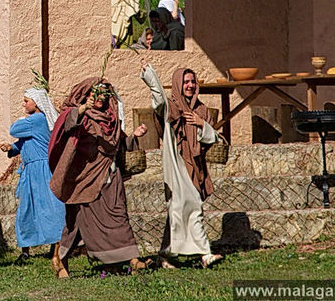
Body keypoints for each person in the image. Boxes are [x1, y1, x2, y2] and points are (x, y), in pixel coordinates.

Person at [48, 77, 149, 278]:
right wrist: (83, 109)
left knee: (119, 215)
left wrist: (134, 137)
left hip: (111, 175)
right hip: (84, 179)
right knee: (76, 222)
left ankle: (131, 258)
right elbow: (66, 125)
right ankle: (61, 260)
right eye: (96, 93)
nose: (100, 97)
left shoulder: (110, 119)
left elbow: (119, 145)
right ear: (87, 95)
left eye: (104, 93)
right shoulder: (80, 115)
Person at [140, 61, 223, 269]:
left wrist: (200, 124)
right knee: (188, 206)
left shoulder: (201, 110)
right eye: (185, 82)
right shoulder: (172, 107)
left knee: (183, 208)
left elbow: (214, 138)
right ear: (178, 84)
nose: (190, 85)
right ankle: (205, 253)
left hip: (195, 166)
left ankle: (166, 255)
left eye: (193, 81)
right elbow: (159, 101)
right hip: (176, 164)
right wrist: (150, 74)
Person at [0, 87, 65, 261]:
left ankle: (57, 246)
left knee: (50, 208)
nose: (23, 104)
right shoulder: (35, 122)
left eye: (26, 101)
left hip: (42, 170)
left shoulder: (37, 119)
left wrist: (21, 120)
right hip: (31, 170)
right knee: (27, 209)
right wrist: (12, 148)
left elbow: (14, 129)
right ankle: (26, 250)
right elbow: (26, 141)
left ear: (37, 103)